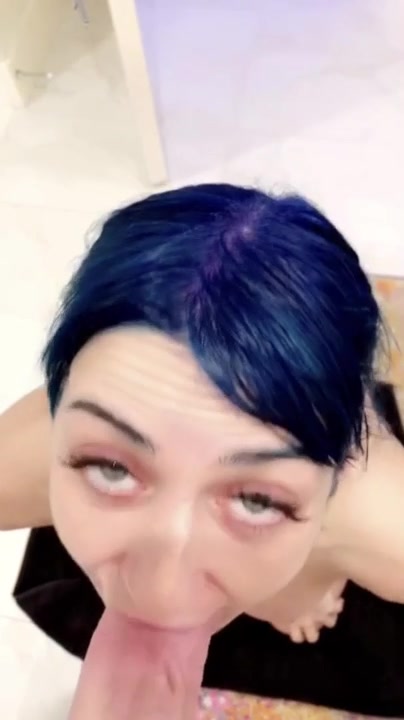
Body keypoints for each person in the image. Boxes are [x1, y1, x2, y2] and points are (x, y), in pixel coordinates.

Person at [1, 183, 404, 717]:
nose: (161, 594)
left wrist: (306, 578)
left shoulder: (387, 529)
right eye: (111, 468)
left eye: (258, 500)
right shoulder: (25, 454)